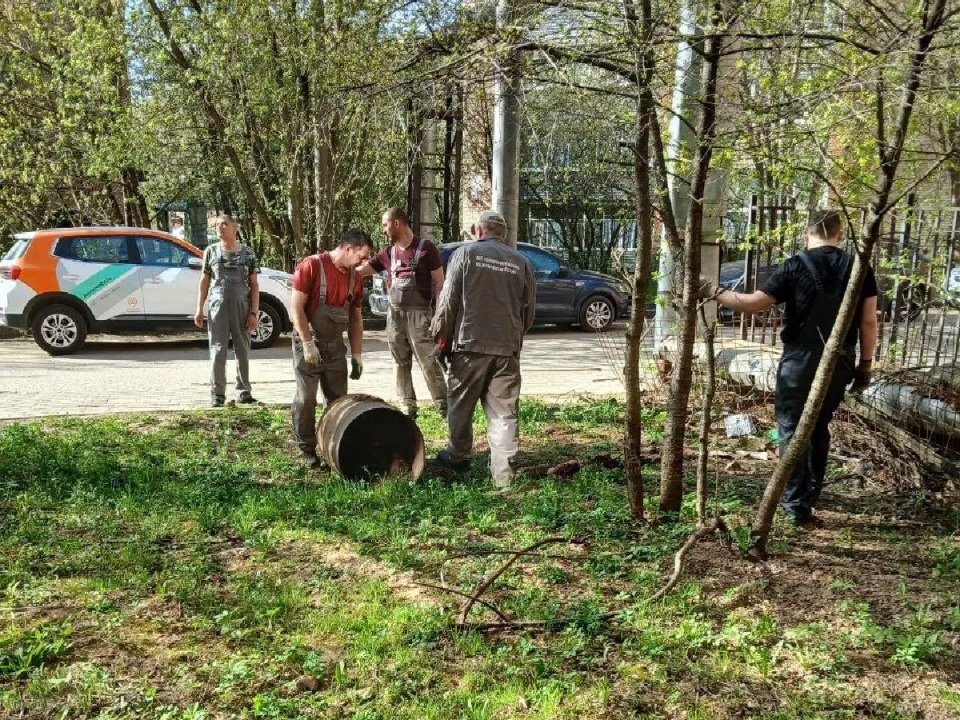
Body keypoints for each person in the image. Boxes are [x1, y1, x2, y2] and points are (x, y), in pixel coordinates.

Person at [698, 209, 878, 526]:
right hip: (840, 359)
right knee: (819, 426)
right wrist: (864, 366)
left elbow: (753, 304)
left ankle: (795, 506)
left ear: (806, 234)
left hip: (799, 360)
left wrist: (711, 290)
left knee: (793, 430)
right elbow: (868, 321)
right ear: (839, 234)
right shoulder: (859, 268)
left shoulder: (795, 265)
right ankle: (806, 500)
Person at [431, 210, 537, 492]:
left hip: (469, 346)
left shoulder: (464, 256)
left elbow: (448, 302)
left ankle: (459, 457)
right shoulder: (521, 262)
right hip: (507, 350)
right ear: (502, 234)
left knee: (460, 406)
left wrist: (441, 338)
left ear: (478, 231)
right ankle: (503, 476)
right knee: (504, 413)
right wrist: (512, 339)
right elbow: (529, 312)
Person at [289, 228, 373, 468]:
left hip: (335, 346)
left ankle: (333, 447)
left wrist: (356, 354)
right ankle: (306, 447)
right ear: (348, 249)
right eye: (361, 256)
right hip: (309, 343)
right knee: (306, 399)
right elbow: (296, 308)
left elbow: (356, 319)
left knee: (338, 401)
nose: (363, 262)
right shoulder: (312, 266)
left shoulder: (355, 278)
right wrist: (306, 342)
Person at [358, 207, 447, 420]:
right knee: (400, 362)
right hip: (395, 316)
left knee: (428, 361)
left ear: (397, 223)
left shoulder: (426, 249)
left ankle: (445, 407)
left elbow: (440, 283)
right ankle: (408, 408)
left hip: (419, 315)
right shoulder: (388, 253)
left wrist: (439, 315)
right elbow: (362, 272)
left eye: (385, 225)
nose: (384, 230)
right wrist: (341, 267)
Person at [194, 214, 260, 407]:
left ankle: (244, 392)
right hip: (218, 307)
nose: (220, 228)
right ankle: (217, 395)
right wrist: (199, 309)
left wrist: (254, 313)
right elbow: (204, 281)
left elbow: (255, 285)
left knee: (242, 350)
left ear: (235, 228)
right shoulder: (211, 251)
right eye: (217, 225)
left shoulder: (247, 253)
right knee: (217, 350)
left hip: (242, 306)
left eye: (224, 224)